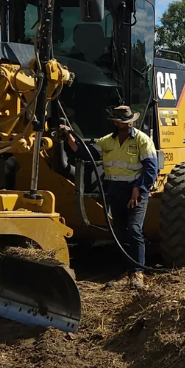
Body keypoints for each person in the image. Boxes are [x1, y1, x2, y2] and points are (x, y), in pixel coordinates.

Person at [73, 105, 159, 288]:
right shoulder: (107, 141)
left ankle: (138, 272)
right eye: (121, 122)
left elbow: (151, 168)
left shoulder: (142, 140)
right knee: (120, 232)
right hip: (114, 191)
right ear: (116, 123)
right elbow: (85, 153)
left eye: (128, 122)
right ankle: (128, 270)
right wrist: (69, 138)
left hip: (134, 191)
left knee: (134, 229)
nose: (126, 125)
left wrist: (139, 189)